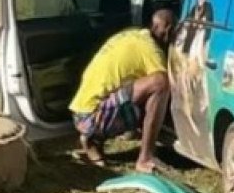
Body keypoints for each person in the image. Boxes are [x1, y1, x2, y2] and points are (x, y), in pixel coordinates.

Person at [68, 9, 176, 173]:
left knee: (134, 87)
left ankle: (92, 141)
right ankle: (145, 158)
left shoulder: (131, 34)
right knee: (160, 83)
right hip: (94, 117)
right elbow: (166, 89)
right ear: (168, 30)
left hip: (80, 113)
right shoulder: (151, 50)